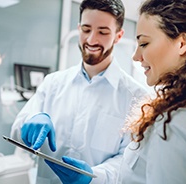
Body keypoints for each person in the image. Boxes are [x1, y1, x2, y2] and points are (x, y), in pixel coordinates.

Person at [45, 0, 186, 183]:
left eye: (144, 43)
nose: (136, 56)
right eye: (86, 29)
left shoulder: (175, 124)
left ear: (182, 43)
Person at [10, 0, 147, 183]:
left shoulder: (136, 97)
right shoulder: (53, 83)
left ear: (118, 36)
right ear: (79, 28)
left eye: (103, 32)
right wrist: (28, 124)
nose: (91, 40)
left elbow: (130, 162)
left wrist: (94, 177)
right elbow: (16, 132)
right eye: (86, 29)